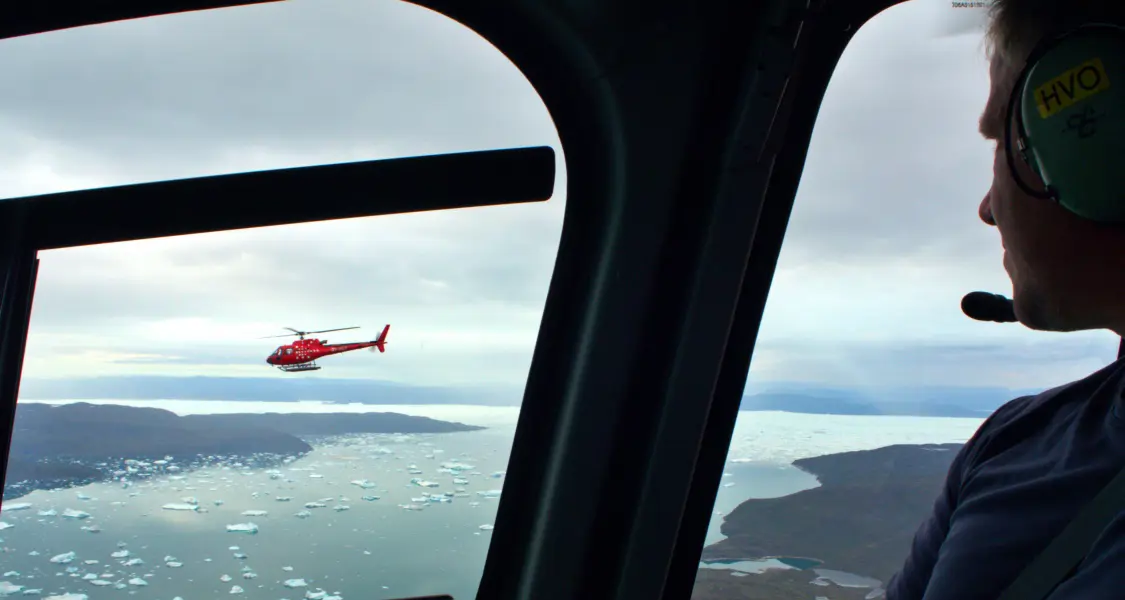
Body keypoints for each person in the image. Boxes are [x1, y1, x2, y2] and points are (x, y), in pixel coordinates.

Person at [885, 2, 1125, 599]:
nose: (988, 209)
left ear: (1097, 145)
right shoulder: (1011, 441)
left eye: (1001, 141)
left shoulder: (1021, 449)